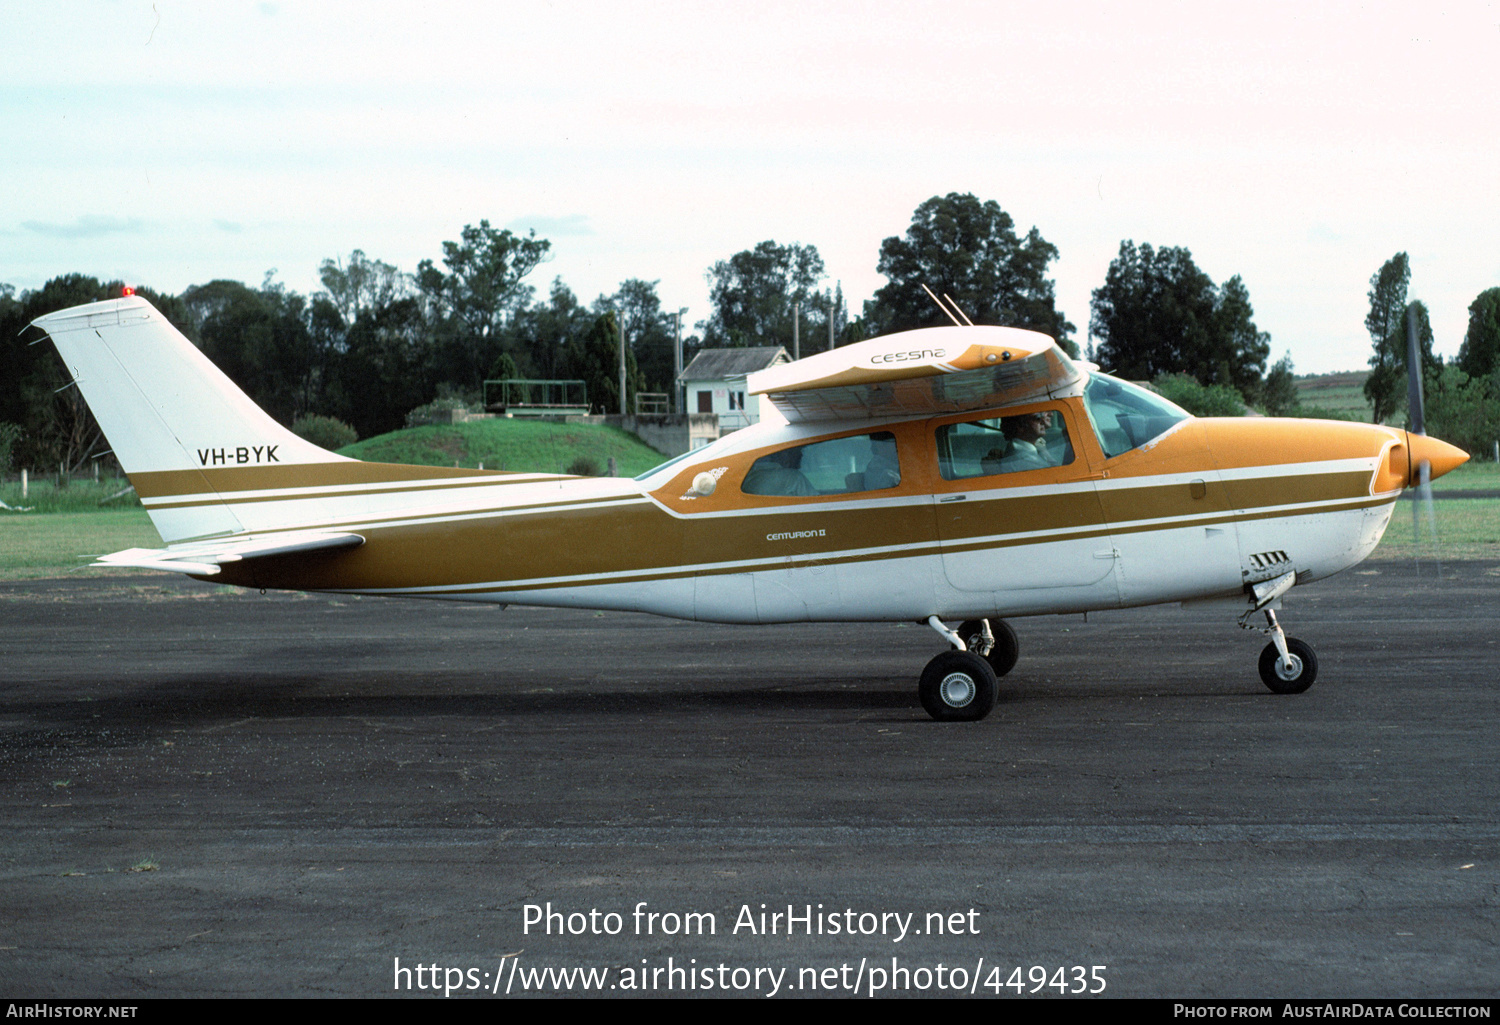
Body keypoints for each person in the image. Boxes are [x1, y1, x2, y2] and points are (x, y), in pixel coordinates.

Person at [741, 446, 818, 496]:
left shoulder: (748, 477)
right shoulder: (792, 477)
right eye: (796, 454)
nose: (800, 458)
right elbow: (815, 504)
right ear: (785, 455)